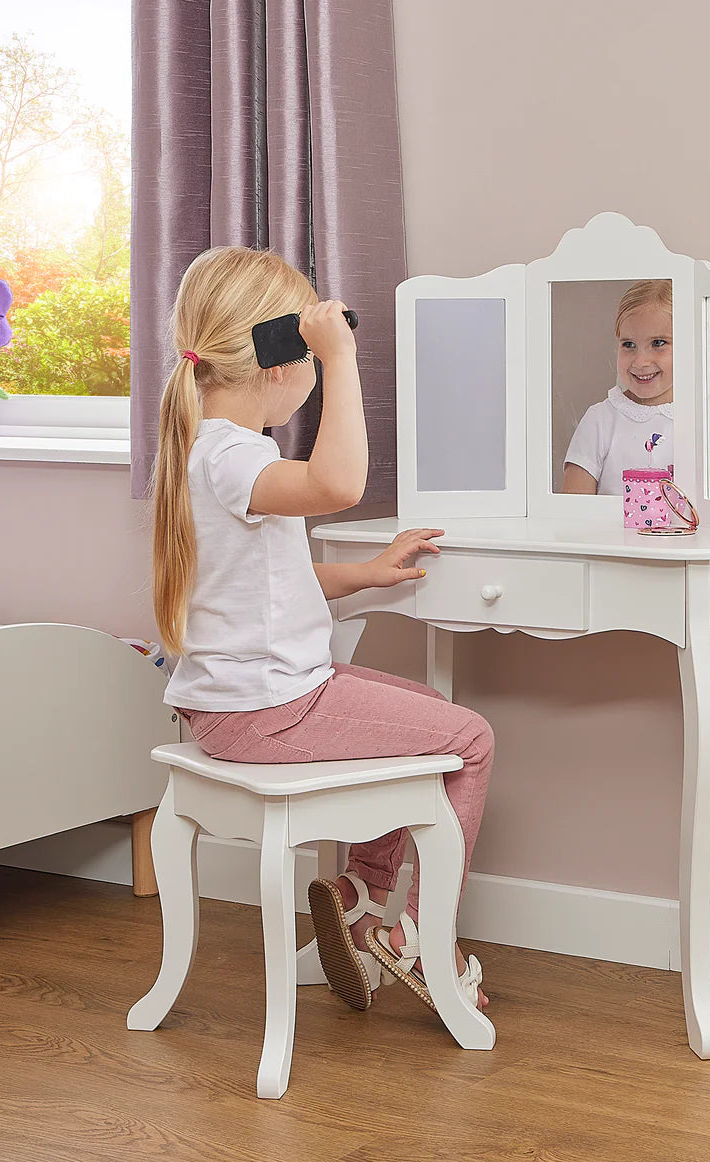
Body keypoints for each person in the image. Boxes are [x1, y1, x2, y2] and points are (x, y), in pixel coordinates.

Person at [152, 246, 492, 1016]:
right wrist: (340, 357)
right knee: (468, 738)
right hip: (268, 712)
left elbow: (268, 588)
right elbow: (338, 484)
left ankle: (356, 896)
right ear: (279, 364)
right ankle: (409, 932)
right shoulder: (239, 456)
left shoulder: (204, 452)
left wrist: (366, 572)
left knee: (418, 715)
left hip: (241, 704)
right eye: (307, 355)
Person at [561, 279, 675, 496]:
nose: (640, 362)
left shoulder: (701, 421)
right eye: (628, 345)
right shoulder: (600, 420)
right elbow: (573, 513)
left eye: (658, 343)